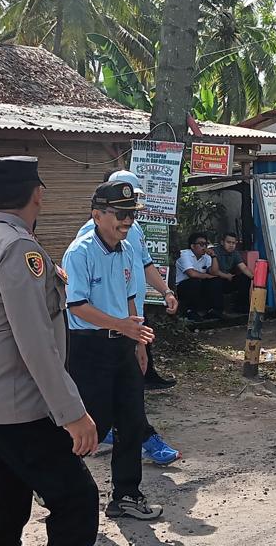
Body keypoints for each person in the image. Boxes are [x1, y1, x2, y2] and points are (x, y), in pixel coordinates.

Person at [0, 156, 101, 545]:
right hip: (20, 400)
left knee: (4, 500)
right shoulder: (19, 248)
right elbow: (34, 341)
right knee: (76, 499)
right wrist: (72, 413)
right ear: (37, 195)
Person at [63, 180, 164, 520]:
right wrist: (121, 326)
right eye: (121, 214)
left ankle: (126, 495)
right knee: (92, 423)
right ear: (97, 215)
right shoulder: (80, 252)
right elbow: (76, 306)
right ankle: (57, 483)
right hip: (89, 347)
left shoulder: (128, 249)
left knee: (132, 422)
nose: (127, 221)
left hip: (123, 345)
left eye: (131, 215)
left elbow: (130, 296)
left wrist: (138, 341)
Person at [175, 233, 222, 321]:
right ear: (192, 246)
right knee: (194, 282)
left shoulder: (206, 256)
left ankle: (214, 310)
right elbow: (191, 273)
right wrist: (207, 276)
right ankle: (190, 311)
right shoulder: (184, 254)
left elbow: (214, 272)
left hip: (199, 283)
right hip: (183, 286)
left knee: (215, 281)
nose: (204, 247)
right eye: (201, 244)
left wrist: (213, 256)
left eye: (206, 244)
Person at [210, 232, 253, 314]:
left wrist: (254, 278)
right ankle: (218, 310)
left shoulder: (235, 253)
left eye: (233, 243)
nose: (231, 245)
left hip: (228, 279)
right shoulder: (214, 251)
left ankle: (241, 307)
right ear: (222, 242)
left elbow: (243, 267)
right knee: (215, 281)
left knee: (244, 278)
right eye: (228, 242)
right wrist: (226, 276)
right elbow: (213, 271)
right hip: (216, 278)